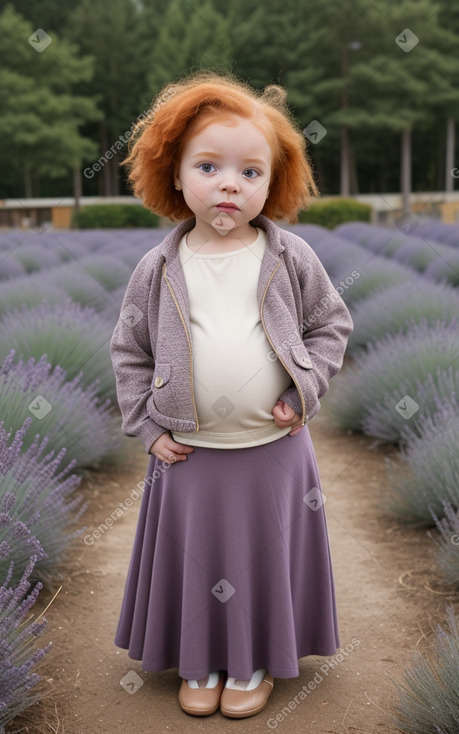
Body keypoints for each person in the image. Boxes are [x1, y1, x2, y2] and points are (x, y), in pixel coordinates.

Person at [110, 69, 354, 720]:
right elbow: (129, 351)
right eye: (209, 166)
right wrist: (147, 427)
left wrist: (306, 390)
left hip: (273, 449)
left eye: (251, 172)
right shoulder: (158, 266)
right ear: (175, 174)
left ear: (273, 184)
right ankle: (200, 660)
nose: (229, 184)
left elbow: (331, 324)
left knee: (257, 557)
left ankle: (251, 664)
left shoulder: (289, 255)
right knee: (200, 559)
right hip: (186, 453)